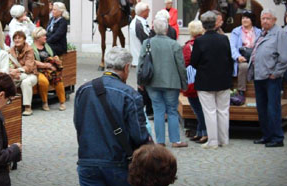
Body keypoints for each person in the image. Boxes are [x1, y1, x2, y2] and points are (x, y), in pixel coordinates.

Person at [74, 47, 149, 186]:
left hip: (87, 161)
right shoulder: (131, 95)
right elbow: (138, 135)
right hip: (118, 162)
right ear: (126, 68)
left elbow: (79, 124)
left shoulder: (83, 90)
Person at [139, 18, 188, 148]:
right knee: (172, 111)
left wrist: (140, 81)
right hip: (172, 82)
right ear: (167, 29)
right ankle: (175, 140)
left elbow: (141, 63)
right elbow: (181, 66)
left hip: (152, 82)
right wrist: (184, 84)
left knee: (158, 111)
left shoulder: (147, 43)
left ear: (154, 29)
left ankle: (160, 141)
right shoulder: (174, 44)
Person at [190, 11, 233, 149]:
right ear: (215, 24)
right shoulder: (224, 39)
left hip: (205, 80)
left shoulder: (199, 41)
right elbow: (229, 58)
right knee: (223, 111)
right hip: (223, 80)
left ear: (203, 25)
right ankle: (224, 140)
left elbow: (193, 62)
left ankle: (213, 141)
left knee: (209, 111)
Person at [248, 9, 287, 148]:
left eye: (268, 18)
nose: (265, 21)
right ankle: (266, 136)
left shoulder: (279, 33)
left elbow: (284, 58)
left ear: (274, 20)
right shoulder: (261, 33)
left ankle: (277, 138)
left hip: (271, 78)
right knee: (262, 109)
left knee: (273, 109)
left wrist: (276, 73)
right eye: (263, 18)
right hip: (259, 76)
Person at [182, 20, 207, 143]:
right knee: (201, 108)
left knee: (197, 108)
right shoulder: (206, 42)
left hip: (193, 81)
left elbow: (186, 62)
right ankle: (199, 131)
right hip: (205, 78)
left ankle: (204, 132)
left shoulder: (189, 45)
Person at [31, 27, 66, 111]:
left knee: (58, 80)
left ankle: (62, 102)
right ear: (38, 38)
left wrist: (56, 59)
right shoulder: (31, 48)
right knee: (43, 81)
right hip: (38, 70)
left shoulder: (47, 46)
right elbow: (33, 61)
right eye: (44, 36)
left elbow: (54, 55)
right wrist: (46, 65)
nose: (46, 37)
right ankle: (44, 102)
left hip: (50, 69)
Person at [229, 12, 261, 98]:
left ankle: (261, 91)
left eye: (247, 18)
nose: (244, 20)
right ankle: (241, 90)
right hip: (241, 57)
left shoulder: (258, 32)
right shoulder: (236, 31)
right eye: (243, 18)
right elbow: (232, 47)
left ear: (252, 20)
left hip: (255, 57)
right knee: (243, 66)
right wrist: (238, 57)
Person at [9, 31, 38, 116]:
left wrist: (17, 70)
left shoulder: (29, 50)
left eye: (19, 38)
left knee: (26, 82)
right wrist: (12, 71)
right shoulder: (11, 50)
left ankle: (27, 107)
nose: (17, 40)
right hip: (18, 74)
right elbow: (9, 63)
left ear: (24, 39)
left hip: (31, 74)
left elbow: (29, 67)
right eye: (15, 38)